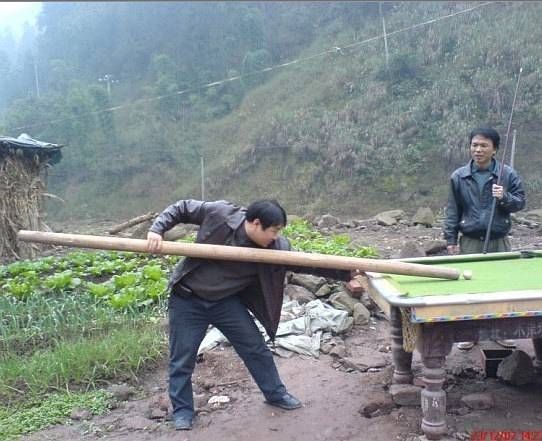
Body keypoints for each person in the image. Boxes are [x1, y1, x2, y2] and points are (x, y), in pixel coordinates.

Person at [146, 199, 352, 430]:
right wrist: (157, 230)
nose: (276, 236)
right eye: (273, 230)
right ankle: (183, 411)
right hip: (188, 299)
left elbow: (307, 264)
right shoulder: (221, 215)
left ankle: (275, 394)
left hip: (225, 302)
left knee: (255, 348)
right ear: (255, 223)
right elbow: (182, 207)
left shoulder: (276, 248)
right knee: (182, 358)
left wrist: (347, 273)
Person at [443, 127, 526, 350]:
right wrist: (450, 240)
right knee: (470, 289)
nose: (478, 149)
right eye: (475, 145)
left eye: (483, 145)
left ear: (494, 149)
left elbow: (520, 202)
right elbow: (452, 210)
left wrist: (504, 197)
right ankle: (469, 333)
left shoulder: (507, 174)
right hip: (470, 240)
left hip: (499, 239)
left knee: (501, 287)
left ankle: (502, 332)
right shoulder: (459, 176)